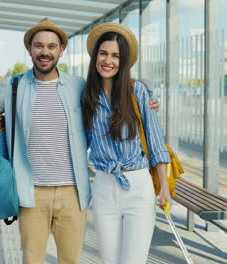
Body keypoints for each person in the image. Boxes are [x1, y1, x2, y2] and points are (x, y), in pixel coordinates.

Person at [0, 18, 90, 264]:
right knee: (32, 260)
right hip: (30, 193)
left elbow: (110, 104)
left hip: (72, 194)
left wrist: (145, 97)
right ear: (30, 49)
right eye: (39, 46)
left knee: (71, 261)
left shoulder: (78, 86)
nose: (45, 52)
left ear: (61, 50)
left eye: (51, 46)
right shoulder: (12, 86)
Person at [82, 22, 172, 264]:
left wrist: (163, 187)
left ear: (123, 62)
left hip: (138, 187)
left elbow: (155, 144)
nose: (108, 60)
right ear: (95, 56)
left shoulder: (138, 92)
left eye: (115, 55)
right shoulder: (87, 96)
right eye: (103, 53)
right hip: (103, 186)